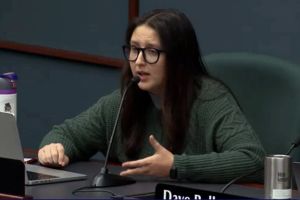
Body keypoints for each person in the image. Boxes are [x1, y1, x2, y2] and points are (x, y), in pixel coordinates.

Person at [38, 9, 265, 183]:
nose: (138, 61)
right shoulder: (125, 99)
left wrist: (176, 165)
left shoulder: (209, 99)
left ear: (178, 59)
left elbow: (253, 160)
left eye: (152, 52)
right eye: (134, 49)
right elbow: (66, 134)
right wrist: (54, 148)